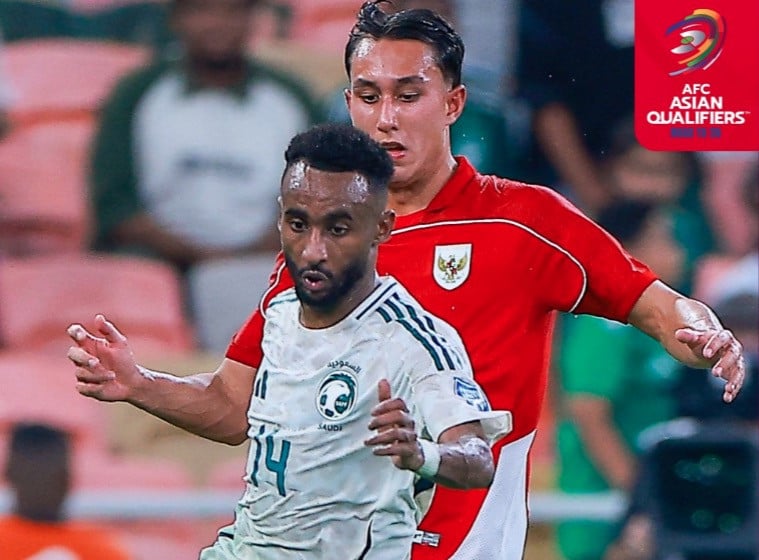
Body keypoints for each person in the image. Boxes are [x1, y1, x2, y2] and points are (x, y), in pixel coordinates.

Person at [222, 3, 747, 559]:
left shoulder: (525, 223)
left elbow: (655, 303)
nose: (386, 118)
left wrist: (703, 333)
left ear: (453, 103)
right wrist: (154, 384)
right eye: (369, 97)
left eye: (408, 95)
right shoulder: (318, 249)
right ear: (349, 103)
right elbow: (234, 402)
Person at [67, 123, 511, 559]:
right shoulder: (278, 311)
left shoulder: (411, 339)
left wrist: (422, 453)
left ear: (382, 227)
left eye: (338, 229)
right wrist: (138, 383)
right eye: (298, 224)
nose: (313, 250)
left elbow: (477, 458)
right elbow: (229, 407)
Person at [90, 0, 319, 272]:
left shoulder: (291, 98)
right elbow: (116, 205)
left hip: (266, 262)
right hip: (157, 261)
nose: (217, 24)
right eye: (201, 10)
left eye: (232, 12)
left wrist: (246, 258)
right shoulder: (136, 93)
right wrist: (197, 257)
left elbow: (318, 199)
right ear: (175, 19)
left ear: (253, 20)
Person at [554, 200, 686, 560]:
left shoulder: (660, 325)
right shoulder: (605, 324)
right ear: (628, 251)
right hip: (605, 501)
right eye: (664, 238)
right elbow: (588, 412)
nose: (678, 250)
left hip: (646, 497)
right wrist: (642, 499)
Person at [0, 423, 131, 560]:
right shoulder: (103, 549)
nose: (44, 484)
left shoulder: (103, 550)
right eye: (33, 475)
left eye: (53, 476)